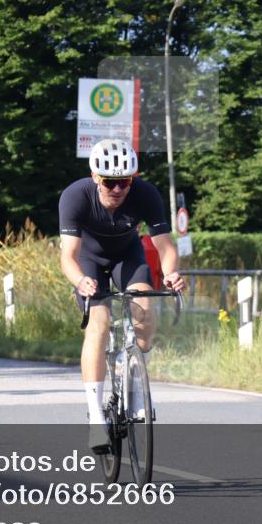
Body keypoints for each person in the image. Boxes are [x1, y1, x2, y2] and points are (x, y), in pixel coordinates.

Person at [58, 138, 187, 453]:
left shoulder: (145, 194)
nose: (117, 189)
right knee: (99, 322)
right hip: (88, 261)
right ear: (95, 178)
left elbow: (165, 246)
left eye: (124, 182)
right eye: (109, 182)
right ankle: (95, 417)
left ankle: (134, 382)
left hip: (127, 257)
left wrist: (171, 273)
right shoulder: (75, 196)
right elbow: (68, 256)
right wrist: (80, 281)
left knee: (145, 311)